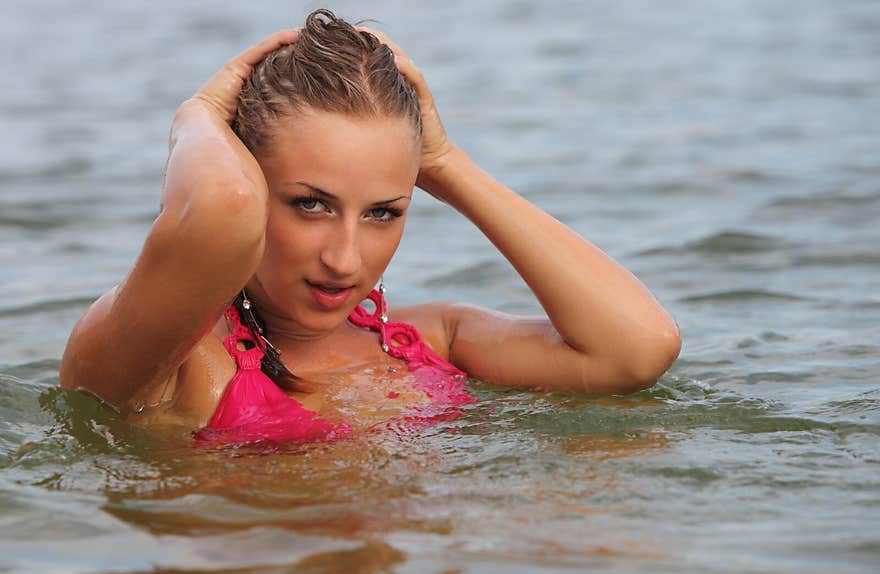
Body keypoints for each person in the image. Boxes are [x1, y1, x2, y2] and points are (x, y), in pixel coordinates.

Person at [59, 9, 681, 443]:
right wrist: (195, 118)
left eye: (383, 211)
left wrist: (445, 164)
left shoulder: (432, 339)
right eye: (310, 204)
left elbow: (637, 350)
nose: (345, 259)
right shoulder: (169, 362)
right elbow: (218, 207)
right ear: (248, 177)